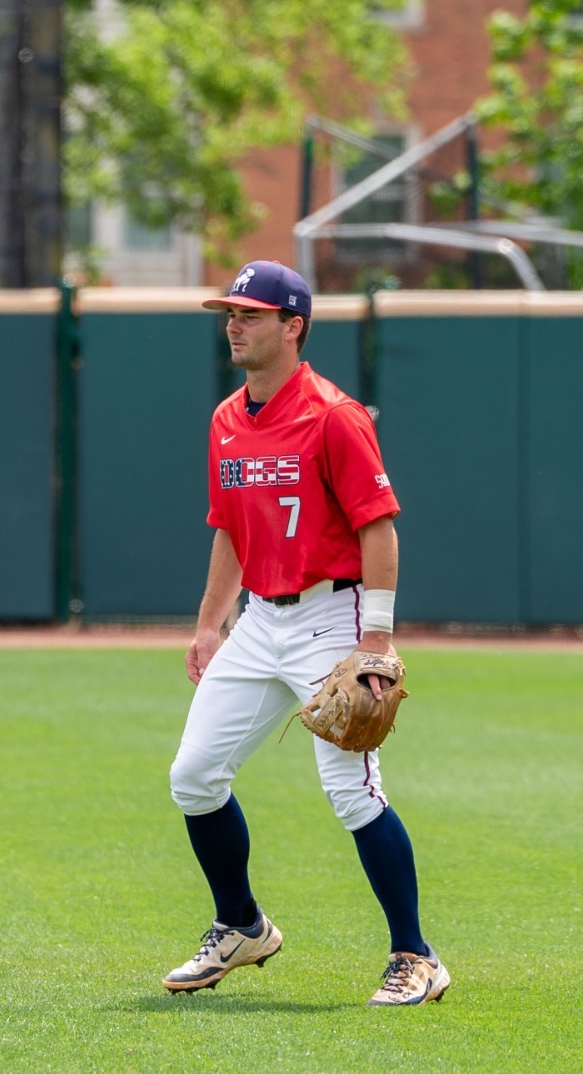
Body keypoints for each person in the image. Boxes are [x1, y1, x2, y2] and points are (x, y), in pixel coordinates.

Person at [161, 260, 448, 1007]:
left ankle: (416, 955)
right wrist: (208, 624)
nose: (235, 323)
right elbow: (229, 528)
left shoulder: (333, 414)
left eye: (251, 314)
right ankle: (241, 923)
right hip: (260, 617)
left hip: (333, 616)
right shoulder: (226, 419)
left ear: (294, 326)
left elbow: (378, 528)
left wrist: (378, 642)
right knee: (193, 775)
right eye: (230, 311)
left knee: (350, 789)